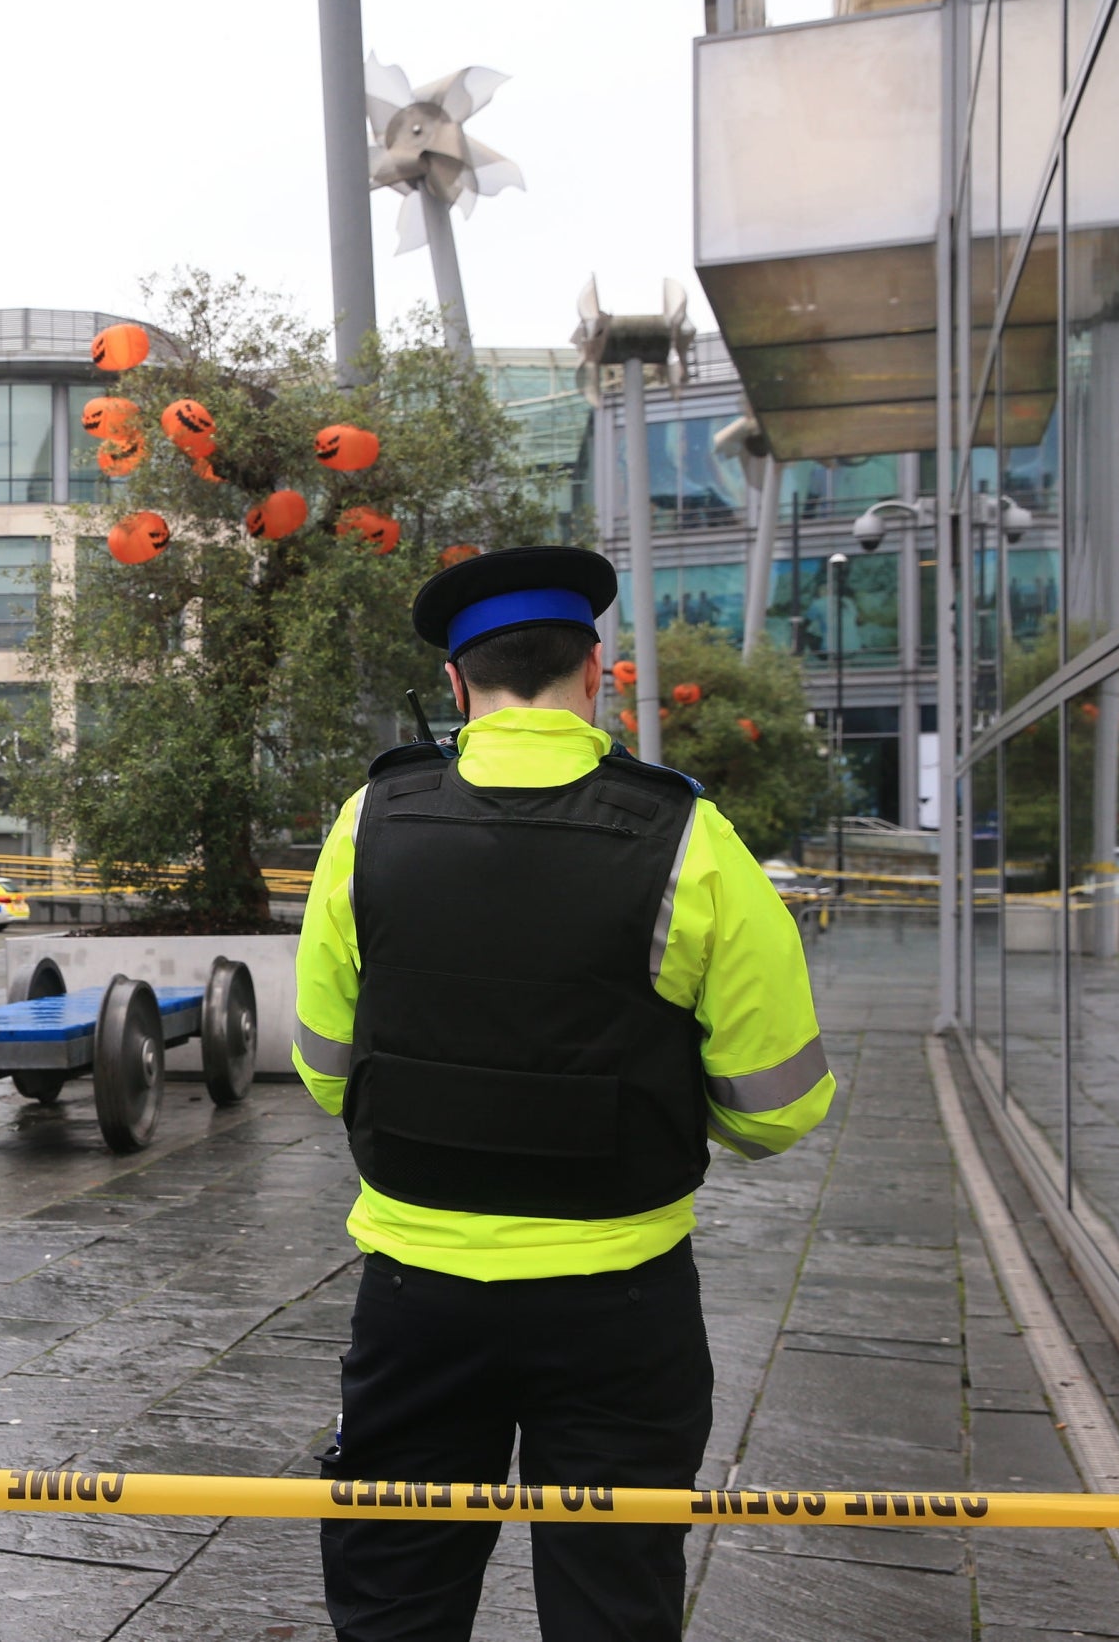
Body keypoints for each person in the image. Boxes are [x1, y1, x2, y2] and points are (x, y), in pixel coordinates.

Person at [293, 546, 835, 1642]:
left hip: (415, 1294)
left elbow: (324, 1065)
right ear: (596, 673)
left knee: (394, 1589)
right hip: (621, 1300)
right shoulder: (689, 836)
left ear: (454, 684)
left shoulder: (368, 824)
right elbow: (776, 1106)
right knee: (612, 1597)